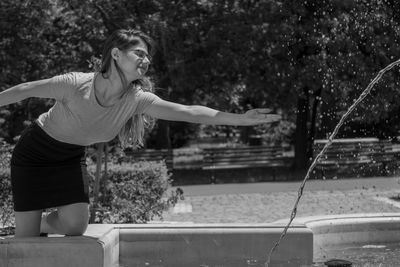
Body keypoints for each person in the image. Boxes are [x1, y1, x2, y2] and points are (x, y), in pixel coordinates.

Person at [0, 29, 281, 237]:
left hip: (70, 157)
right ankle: (28, 226)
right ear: (115, 54)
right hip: (34, 154)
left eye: (147, 55)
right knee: (25, 243)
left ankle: (39, 222)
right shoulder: (75, 84)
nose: (145, 59)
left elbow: (190, 112)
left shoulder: (137, 99)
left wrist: (241, 120)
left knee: (75, 226)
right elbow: (26, 90)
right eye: (139, 53)